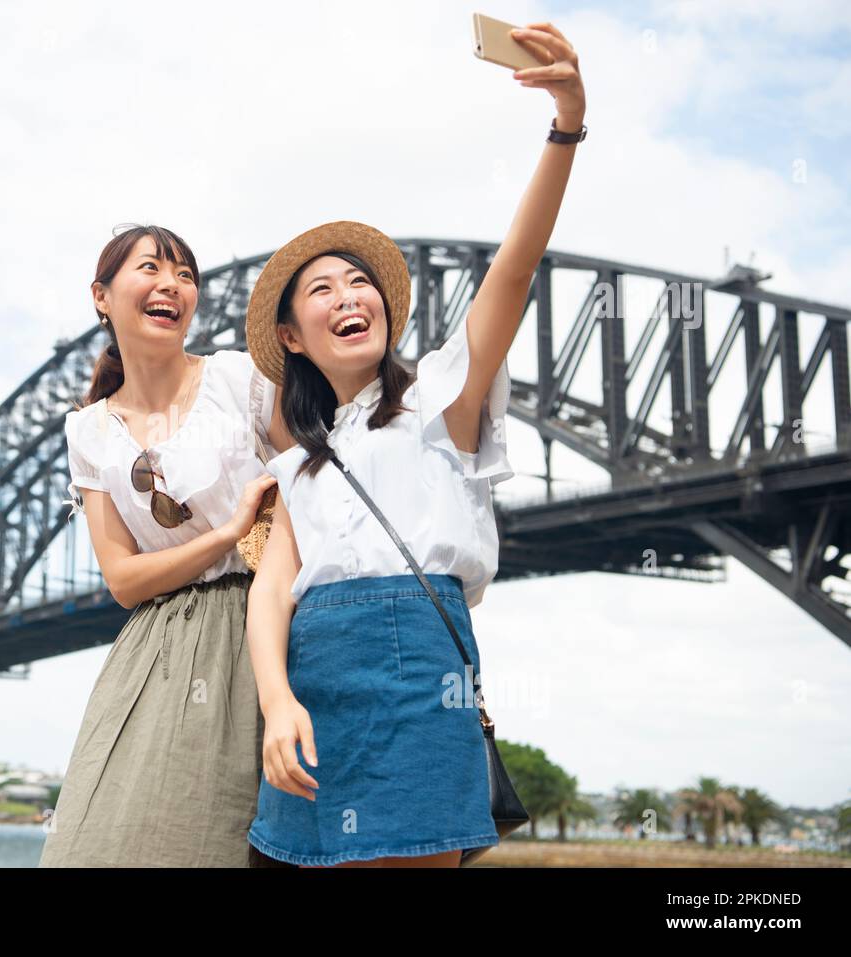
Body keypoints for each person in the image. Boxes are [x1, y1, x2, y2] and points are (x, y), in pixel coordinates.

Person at [241, 22, 586, 867]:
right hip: (316, 678)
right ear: (291, 334)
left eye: (361, 282)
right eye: (322, 289)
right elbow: (271, 591)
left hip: (417, 669)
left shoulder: (443, 398)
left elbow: (513, 269)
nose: (348, 294)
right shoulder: (299, 463)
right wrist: (278, 700)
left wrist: (565, 126)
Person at [38, 223, 295, 867]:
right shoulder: (89, 431)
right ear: (101, 296)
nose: (171, 285)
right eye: (150, 268)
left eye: (185, 275)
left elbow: (313, 483)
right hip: (162, 653)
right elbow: (123, 580)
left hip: (273, 617)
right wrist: (228, 533)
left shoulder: (243, 379)